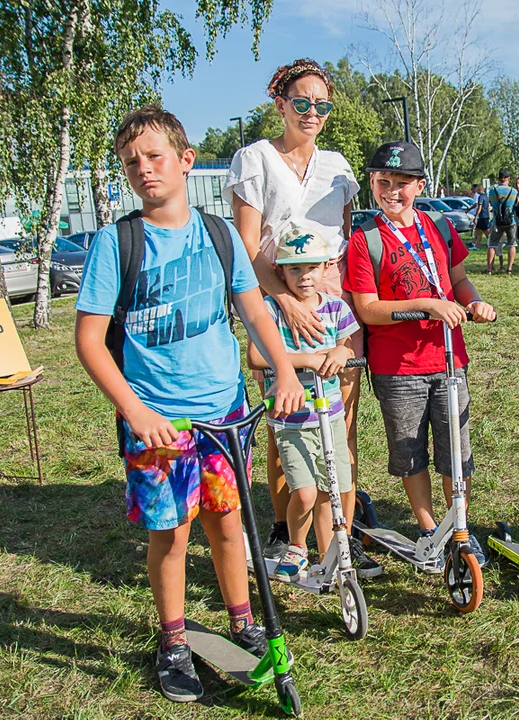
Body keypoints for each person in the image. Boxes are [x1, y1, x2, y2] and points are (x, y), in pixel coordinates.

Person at [74, 106, 306, 703]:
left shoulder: (219, 233)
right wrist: (136, 411)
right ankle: (174, 641)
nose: (143, 170)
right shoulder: (115, 242)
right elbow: (89, 341)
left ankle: (241, 621)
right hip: (160, 425)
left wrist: (283, 369)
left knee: (230, 525)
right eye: (131, 162)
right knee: (171, 535)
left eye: (155, 157)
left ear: (185, 161)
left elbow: (256, 312)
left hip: (226, 417)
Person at [223, 58, 381, 579]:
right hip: (272, 293)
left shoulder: (338, 166)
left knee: (340, 414)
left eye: (322, 105)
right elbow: (248, 247)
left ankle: (339, 534)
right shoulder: (255, 159)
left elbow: (340, 239)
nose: (312, 112)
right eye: (302, 102)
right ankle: (288, 534)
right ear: (280, 104)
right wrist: (285, 301)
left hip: (329, 297)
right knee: (286, 413)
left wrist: (333, 303)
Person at [344, 141, 497, 569]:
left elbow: (459, 279)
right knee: (410, 453)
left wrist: (475, 302)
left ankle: (460, 530)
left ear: (421, 185)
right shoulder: (365, 240)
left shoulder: (440, 228)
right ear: (371, 184)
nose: (392, 191)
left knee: (456, 451)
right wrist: (429, 305)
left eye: (403, 183)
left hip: (449, 361)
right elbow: (368, 308)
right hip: (398, 369)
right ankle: (430, 530)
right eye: (383, 182)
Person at [248, 228, 359, 581]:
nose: (304, 276)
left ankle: (331, 559)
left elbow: (348, 345)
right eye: (294, 269)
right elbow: (255, 355)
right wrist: (307, 360)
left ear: (325, 268)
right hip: (291, 419)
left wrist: (342, 350)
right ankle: (297, 546)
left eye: (311, 268)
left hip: (330, 418)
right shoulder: (271, 309)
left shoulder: (336, 308)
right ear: (280, 272)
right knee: (307, 492)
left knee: (332, 491)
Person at [486, 170, 519, 274]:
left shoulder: (492, 191)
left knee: (492, 245)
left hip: (497, 221)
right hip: (511, 220)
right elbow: (516, 205)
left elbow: (491, 203)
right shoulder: (514, 192)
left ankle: (489, 269)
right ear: (508, 179)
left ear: (498, 179)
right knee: (512, 244)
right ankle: (509, 268)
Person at [467, 183, 490, 251]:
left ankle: (494, 243)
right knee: (478, 231)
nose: (475, 191)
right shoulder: (486, 196)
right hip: (484, 216)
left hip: (482, 216)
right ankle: (476, 245)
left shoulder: (481, 197)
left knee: (486, 232)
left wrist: (476, 216)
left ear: (479, 189)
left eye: (476, 189)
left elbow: (479, 207)